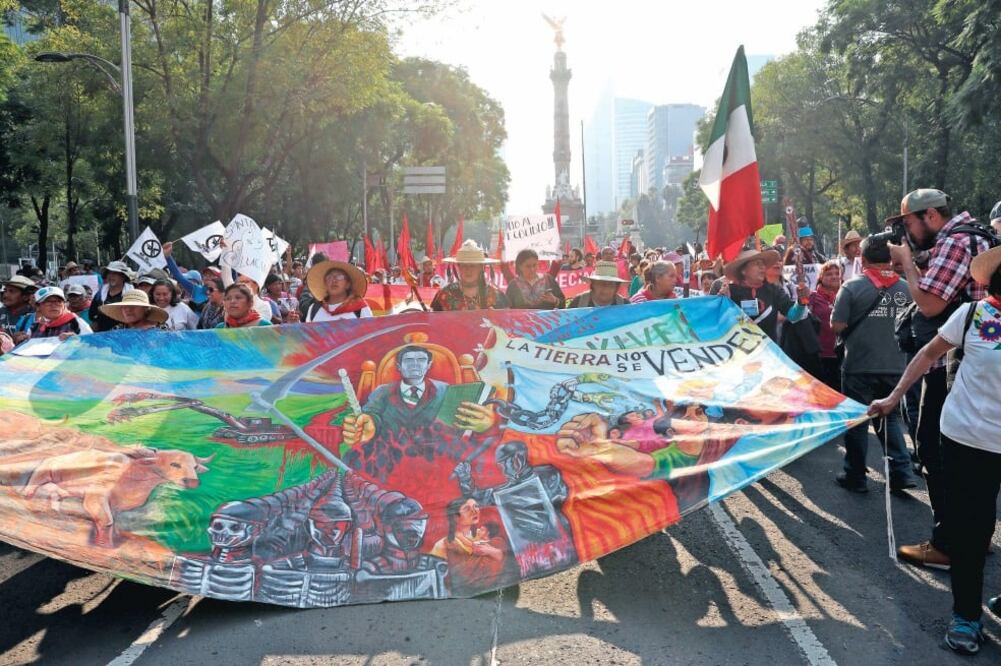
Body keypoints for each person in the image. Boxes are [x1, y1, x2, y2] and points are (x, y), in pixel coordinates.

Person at [869, 244, 1001, 656]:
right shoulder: (974, 316)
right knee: (971, 532)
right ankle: (966, 617)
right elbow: (927, 355)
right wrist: (893, 398)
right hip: (969, 441)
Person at [886, 189, 994, 571]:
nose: (906, 233)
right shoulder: (978, 235)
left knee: (935, 450)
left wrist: (908, 266)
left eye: (907, 224)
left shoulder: (954, 242)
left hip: (950, 369)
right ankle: (973, 536)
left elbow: (930, 303)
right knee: (975, 461)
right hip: (980, 369)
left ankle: (948, 542)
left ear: (930, 215)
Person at [831, 236, 916, 493]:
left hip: (859, 365)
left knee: (858, 421)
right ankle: (902, 473)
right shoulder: (907, 288)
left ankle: (855, 475)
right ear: (890, 260)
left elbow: (837, 325)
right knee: (887, 418)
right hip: (895, 365)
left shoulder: (851, 287)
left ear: (863, 260)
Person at [718, 248, 810, 342]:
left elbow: (793, 315)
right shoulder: (730, 292)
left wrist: (803, 300)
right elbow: (720, 323)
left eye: (763, 264)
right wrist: (723, 301)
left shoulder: (774, 290)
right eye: (757, 264)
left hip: (767, 352)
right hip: (740, 352)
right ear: (743, 270)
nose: (763, 268)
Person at [431, 241, 508, 311]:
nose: (468, 270)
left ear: (481, 268)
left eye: (472, 266)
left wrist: (496, 318)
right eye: (464, 265)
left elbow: (507, 323)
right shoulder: (444, 295)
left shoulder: (497, 296)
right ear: (459, 267)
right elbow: (432, 322)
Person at [303, 260, 371, 322]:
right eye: (330, 277)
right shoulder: (314, 308)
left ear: (348, 284)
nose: (334, 280)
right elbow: (307, 334)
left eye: (339, 277)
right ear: (325, 284)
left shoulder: (360, 309)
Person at [809, 260, 842, 390]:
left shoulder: (847, 294)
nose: (834, 276)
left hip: (842, 354)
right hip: (821, 354)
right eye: (829, 274)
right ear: (820, 278)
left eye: (837, 273)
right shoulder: (812, 296)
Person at [26, 286, 92, 340]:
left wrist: (77, 340)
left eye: (59, 301)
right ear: (38, 306)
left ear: (64, 305)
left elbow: (92, 344)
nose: (54, 305)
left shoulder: (75, 322)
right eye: (48, 302)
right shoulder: (35, 326)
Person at [89, 261, 135, 332]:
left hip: (124, 334)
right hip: (102, 335)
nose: (111, 276)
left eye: (115, 273)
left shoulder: (132, 294)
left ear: (123, 276)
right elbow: (92, 314)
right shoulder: (100, 294)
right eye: (109, 273)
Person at [99, 290, 169, 331]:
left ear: (146, 309)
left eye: (134, 306)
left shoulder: (161, 329)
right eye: (125, 306)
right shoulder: (117, 330)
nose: (128, 309)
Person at [0, 275, 37, 343]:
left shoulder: (35, 315)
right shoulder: (1, 312)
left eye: (12, 291)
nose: (5, 295)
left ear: (25, 297)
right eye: (5, 290)